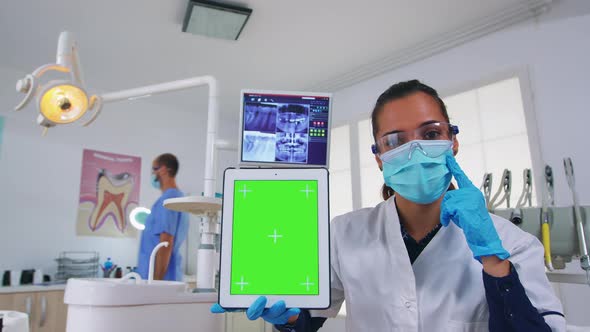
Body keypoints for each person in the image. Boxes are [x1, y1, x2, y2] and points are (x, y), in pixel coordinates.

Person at [211, 80, 566, 331]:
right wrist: (287, 320)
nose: (415, 149)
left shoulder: (512, 244)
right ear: (379, 157)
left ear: (452, 142)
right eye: (395, 140)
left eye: (430, 134)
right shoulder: (343, 233)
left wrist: (494, 262)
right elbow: (310, 317)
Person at [137, 153, 189, 281]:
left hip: (160, 279)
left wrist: (156, 282)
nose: (153, 174)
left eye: (154, 169)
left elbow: (166, 243)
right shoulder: (178, 198)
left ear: (164, 169)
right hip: (167, 276)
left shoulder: (168, 200)